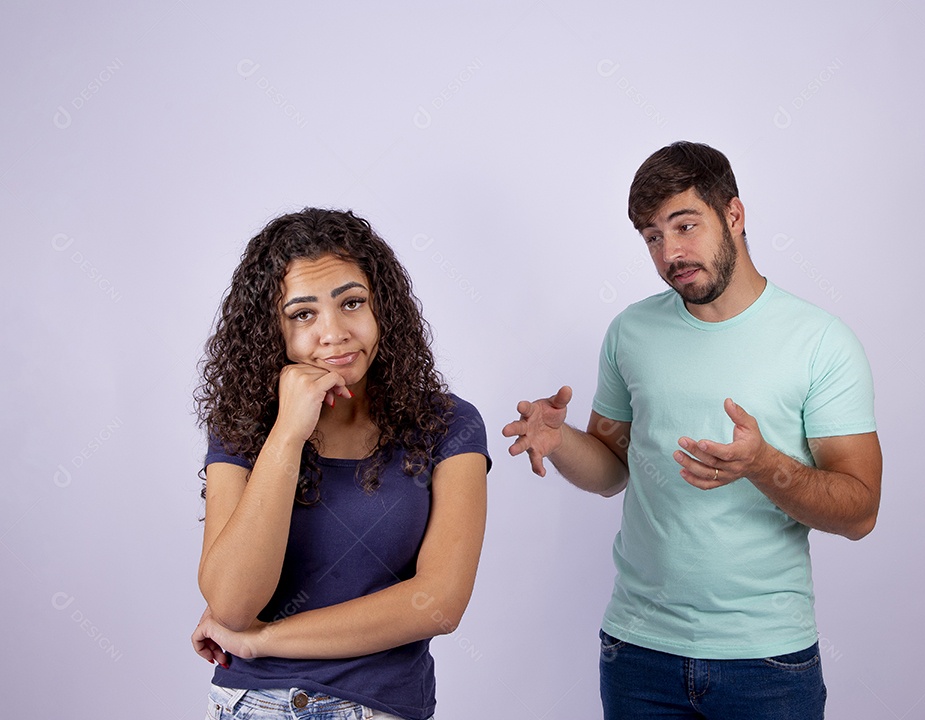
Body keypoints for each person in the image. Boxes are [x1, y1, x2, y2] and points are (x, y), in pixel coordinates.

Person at [503, 141, 881, 719]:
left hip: (767, 661)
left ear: (734, 215)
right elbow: (612, 470)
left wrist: (761, 464)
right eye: (653, 236)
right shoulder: (631, 331)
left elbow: (860, 512)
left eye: (685, 226)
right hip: (637, 651)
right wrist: (561, 442)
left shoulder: (821, 342)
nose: (670, 252)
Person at [191, 208, 489, 720]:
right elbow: (232, 604)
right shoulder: (243, 427)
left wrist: (266, 640)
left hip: (377, 705)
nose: (334, 333)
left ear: (383, 312)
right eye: (303, 314)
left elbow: (439, 602)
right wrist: (287, 433)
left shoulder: (448, 425)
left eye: (351, 303)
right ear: (272, 330)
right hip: (251, 704)